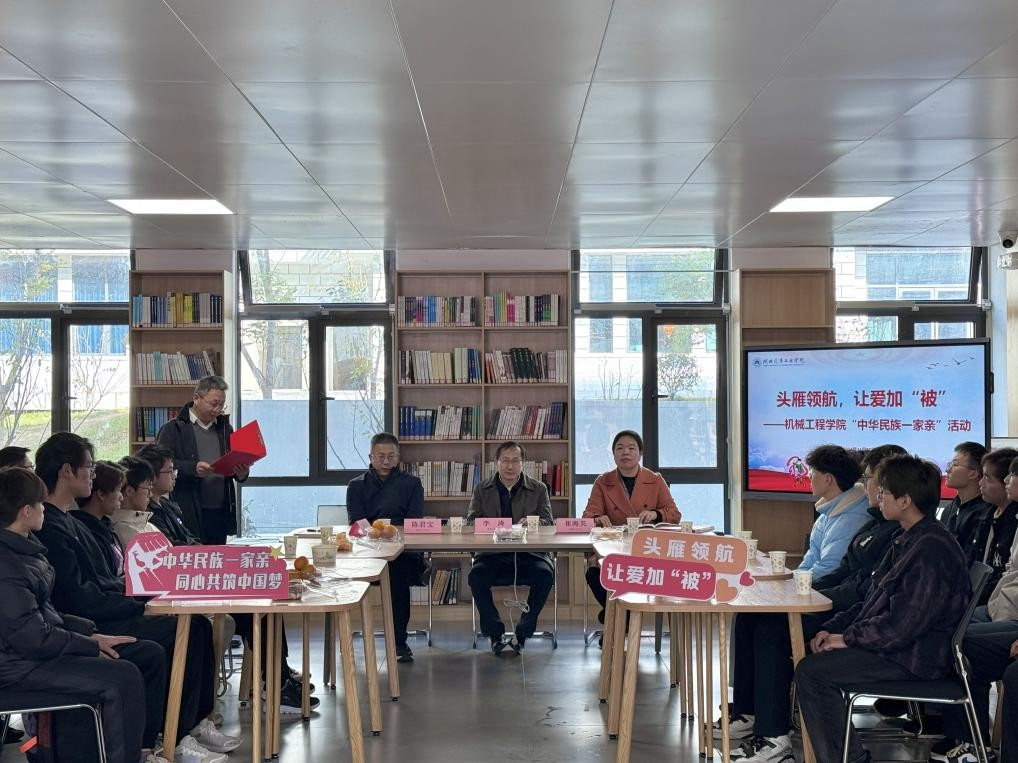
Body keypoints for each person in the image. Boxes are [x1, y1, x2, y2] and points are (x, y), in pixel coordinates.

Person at [32, 432, 237, 761]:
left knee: (197, 625)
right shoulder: (51, 527)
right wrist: (140, 604)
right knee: (180, 634)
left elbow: (105, 581)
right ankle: (168, 737)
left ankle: (189, 726)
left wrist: (143, 594)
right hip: (90, 622)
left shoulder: (73, 522)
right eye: (89, 468)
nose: (93, 475)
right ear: (66, 471)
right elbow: (80, 598)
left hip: (105, 609)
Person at [716, 443, 905, 762]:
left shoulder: (888, 528)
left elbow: (863, 590)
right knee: (752, 617)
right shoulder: (873, 521)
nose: (866, 486)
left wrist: (809, 596)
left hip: (857, 617)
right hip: (842, 605)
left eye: (871, 478)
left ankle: (774, 737)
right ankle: (751, 713)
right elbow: (844, 571)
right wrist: (794, 587)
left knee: (772, 630)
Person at [793, 455, 970, 763]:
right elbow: (872, 602)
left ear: (905, 500)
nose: (877, 496)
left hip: (915, 657)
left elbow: (902, 626)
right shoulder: (907, 537)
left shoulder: (931, 549)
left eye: (884, 491)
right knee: (813, 660)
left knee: (813, 673)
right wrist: (833, 629)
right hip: (900, 648)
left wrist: (847, 639)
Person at [0, 466, 169, 763]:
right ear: (26, 512)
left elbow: (46, 616)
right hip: (18, 668)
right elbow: (33, 638)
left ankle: (144, 749)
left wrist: (91, 633)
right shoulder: (8, 566)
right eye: (40, 504)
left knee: (144, 653)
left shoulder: (25, 553)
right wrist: (89, 645)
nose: (44, 509)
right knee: (122, 677)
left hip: (34, 654)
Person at [133, 443, 317, 715]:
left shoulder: (169, 506)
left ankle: (278, 678)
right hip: (187, 587)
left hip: (201, 576)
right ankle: (275, 683)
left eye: (174, 470)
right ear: (150, 477)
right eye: (169, 471)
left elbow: (189, 541)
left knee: (267, 604)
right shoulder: (149, 516)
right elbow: (174, 552)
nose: (175, 475)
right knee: (256, 609)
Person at [934, 454, 1018, 760]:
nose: (1007, 481)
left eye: (1011, 476)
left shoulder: (1006, 519)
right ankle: (967, 737)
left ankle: (973, 742)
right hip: (1000, 605)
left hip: (1007, 611)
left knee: (960, 642)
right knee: (948, 631)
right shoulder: (992, 516)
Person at [581, 430, 680, 623]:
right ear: (613, 454)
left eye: (631, 448)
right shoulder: (603, 482)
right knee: (593, 571)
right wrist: (599, 519)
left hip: (646, 551)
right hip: (612, 549)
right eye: (620, 448)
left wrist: (656, 514)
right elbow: (587, 516)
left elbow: (675, 514)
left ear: (640, 453)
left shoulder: (655, 480)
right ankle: (621, 620)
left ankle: (615, 621)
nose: (625, 452)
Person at [466, 441, 554, 655]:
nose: (510, 466)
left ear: (523, 463)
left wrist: (531, 523)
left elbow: (548, 522)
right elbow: (470, 522)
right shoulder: (482, 489)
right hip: (492, 555)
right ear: (496, 463)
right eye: (505, 461)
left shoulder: (538, 488)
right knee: (476, 576)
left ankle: (523, 633)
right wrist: (491, 526)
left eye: (515, 461)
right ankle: (495, 634)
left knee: (545, 575)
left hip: (529, 555)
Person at [347, 432, 426, 663]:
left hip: (402, 551)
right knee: (383, 571)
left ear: (398, 457)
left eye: (391, 456)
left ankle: (399, 641)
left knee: (397, 574)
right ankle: (347, 635)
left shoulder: (412, 484)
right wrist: (377, 532)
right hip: (367, 551)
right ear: (370, 457)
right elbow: (356, 522)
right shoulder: (356, 485)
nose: (385, 461)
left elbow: (414, 520)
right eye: (380, 456)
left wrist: (390, 533)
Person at [156, 375, 248, 544]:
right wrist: (193, 469)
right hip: (187, 511)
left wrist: (242, 473)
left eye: (222, 405)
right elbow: (158, 465)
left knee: (217, 558)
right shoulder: (173, 429)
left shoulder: (225, 429)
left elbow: (234, 462)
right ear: (196, 398)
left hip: (220, 511)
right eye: (214, 403)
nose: (217, 410)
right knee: (193, 557)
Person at [968, 447, 1018, 604]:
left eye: (987, 478)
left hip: (996, 601)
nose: (980, 483)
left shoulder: (1014, 522)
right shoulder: (984, 517)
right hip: (978, 597)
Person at [940, 441, 992, 558]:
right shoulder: (950, 509)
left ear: (973, 473)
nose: (948, 470)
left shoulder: (985, 513)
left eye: (955, 464)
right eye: (950, 464)